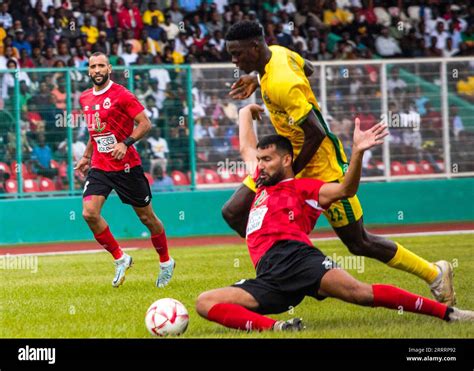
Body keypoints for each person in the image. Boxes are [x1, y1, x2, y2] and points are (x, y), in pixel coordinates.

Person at [222, 21, 455, 306]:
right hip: (284, 160)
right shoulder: (279, 55)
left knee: (358, 243)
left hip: (322, 169)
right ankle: (277, 262)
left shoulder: (283, 81)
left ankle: (434, 272)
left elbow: (317, 132)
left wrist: (290, 172)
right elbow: (308, 67)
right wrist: (257, 80)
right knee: (233, 211)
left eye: (237, 53)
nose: (234, 60)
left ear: (255, 47)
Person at [196, 106, 474, 331]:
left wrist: (357, 154)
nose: (261, 165)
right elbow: (246, 146)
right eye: (260, 160)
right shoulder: (259, 183)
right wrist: (246, 111)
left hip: (298, 259)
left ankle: (449, 314)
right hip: (268, 275)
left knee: (361, 294)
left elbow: (345, 189)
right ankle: (279, 328)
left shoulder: (303, 188)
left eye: (267, 159)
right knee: (204, 302)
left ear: (286, 160)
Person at [74, 52, 174, 288]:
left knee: (146, 218)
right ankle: (121, 258)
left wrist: (125, 142)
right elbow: (95, 131)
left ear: (109, 68)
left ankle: (166, 261)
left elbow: (145, 123)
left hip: (127, 166)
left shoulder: (122, 94)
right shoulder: (85, 98)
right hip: (100, 165)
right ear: (88, 71)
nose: (97, 70)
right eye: (93, 66)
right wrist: (87, 155)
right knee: (89, 213)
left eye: (101, 66)